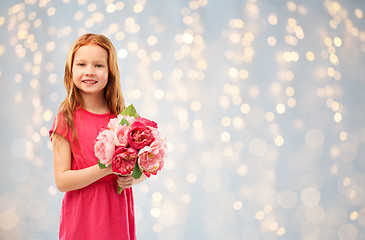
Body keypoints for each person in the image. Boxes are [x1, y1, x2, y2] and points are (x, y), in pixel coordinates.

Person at [49, 33, 147, 240]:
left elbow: (144, 167)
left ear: (111, 71)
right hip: (82, 217)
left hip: (117, 214)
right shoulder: (65, 119)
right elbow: (62, 181)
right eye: (82, 64)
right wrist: (108, 167)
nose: (89, 72)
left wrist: (133, 178)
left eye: (99, 65)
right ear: (70, 70)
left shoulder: (125, 119)